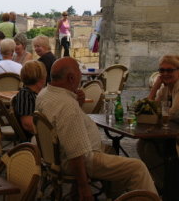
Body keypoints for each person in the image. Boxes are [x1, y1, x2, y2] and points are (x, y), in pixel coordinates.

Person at [36, 57, 157, 200]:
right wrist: (83, 187)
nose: (81, 79)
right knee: (137, 168)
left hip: (55, 157)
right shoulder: (67, 106)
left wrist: (77, 103)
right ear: (71, 78)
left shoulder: (45, 94)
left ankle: (116, 196)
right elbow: (76, 153)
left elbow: (63, 125)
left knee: (112, 151)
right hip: (81, 159)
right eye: (79, 75)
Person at [137, 54, 179, 192]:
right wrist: (155, 88)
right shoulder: (165, 87)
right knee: (142, 145)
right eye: (162, 70)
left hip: (175, 134)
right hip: (171, 130)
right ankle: (164, 183)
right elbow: (147, 108)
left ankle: (167, 185)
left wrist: (157, 113)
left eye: (170, 70)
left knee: (150, 148)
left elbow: (172, 113)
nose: (165, 74)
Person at [12, 60, 46, 142]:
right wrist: (50, 132)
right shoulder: (26, 94)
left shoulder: (37, 93)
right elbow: (27, 124)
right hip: (35, 138)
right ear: (40, 79)